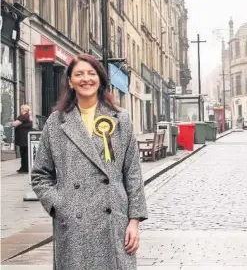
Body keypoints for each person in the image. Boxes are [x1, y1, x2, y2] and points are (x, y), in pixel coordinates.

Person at [31, 53, 148, 270]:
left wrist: (134, 220)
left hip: (115, 221)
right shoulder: (56, 123)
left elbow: (132, 172)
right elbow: (40, 175)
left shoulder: (120, 118)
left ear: (101, 79)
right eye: (79, 74)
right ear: (70, 81)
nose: (86, 79)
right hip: (74, 225)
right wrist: (60, 206)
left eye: (91, 73)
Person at [13, 104, 33, 173]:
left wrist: (10, 123)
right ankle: (25, 167)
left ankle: (24, 168)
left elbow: (15, 124)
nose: (20, 110)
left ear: (24, 110)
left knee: (24, 153)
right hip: (25, 138)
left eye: (21, 109)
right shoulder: (28, 116)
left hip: (23, 139)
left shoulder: (23, 116)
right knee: (25, 153)